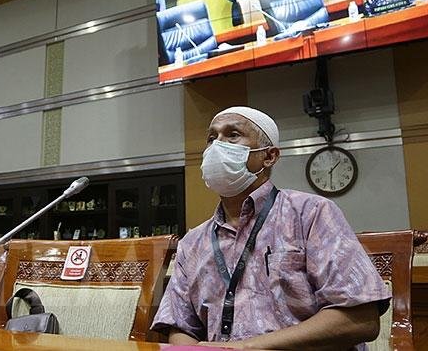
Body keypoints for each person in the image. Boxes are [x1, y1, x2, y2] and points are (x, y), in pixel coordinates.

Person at [151, 106, 390, 349]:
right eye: (212, 138)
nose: (217, 146)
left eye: (232, 135)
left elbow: (361, 319)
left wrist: (245, 347)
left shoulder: (310, 214)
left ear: (269, 156)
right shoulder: (192, 242)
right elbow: (180, 327)